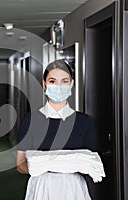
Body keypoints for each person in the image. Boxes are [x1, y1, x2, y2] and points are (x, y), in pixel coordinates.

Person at [16, 59, 97, 200]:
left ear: (71, 84)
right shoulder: (31, 121)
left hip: (73, 187)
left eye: (64, 81)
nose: (59, 86)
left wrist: (54, 164)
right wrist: (44, 167)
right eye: (53, 81)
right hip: (42, 187)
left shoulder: (85, 122)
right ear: (44, 85)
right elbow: (20, 165)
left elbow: (89, 164)